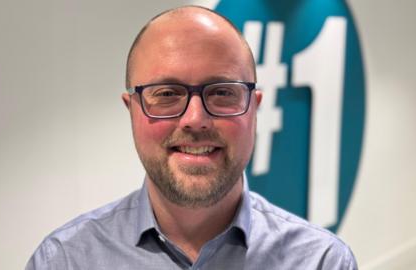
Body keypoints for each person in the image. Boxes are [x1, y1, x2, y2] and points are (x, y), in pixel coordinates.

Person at [26, 5, 357, 270]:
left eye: (222, 92)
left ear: (253, 109)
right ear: (132, 109)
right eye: (167, 93)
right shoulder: (65, 261)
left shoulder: (321, 262)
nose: (195, 119)